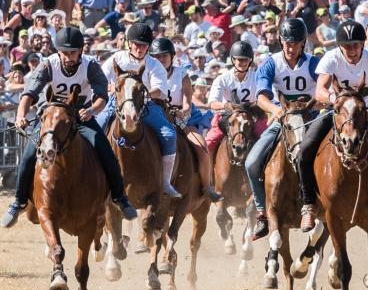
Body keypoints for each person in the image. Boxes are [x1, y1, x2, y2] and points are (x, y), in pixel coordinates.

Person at [1, 28, 137, 227]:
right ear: (58, 52)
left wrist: (91, 110)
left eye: (72, 52)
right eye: (64, 52)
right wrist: (21, 115)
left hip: (81, 115)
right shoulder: (48, 65)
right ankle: (19, 201)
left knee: (104, 148)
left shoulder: (90, 65)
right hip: (52, 117)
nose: (67, 57)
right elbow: (29, 94)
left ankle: (119, 197)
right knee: (29, 155)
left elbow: (102, 97)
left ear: (81, 51)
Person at [297, 21, 368, 231]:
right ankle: (309, 205)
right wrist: (335, 100)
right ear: (340, 46)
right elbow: (320, 91)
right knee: (305, 151)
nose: (351, 50)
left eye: (355, 45)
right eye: (347, 46)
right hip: (339, 113)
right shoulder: (331, 58)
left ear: (362, 44)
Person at [245, 18, 320, 241]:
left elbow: (325, 88)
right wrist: (275, 110)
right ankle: (261, 212)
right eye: (287, 43)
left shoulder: (314, 63)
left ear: (303, 43)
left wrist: (314, 104)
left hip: (310, 120)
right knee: (251, 163)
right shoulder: (271, 63)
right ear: (281, 41)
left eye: (296, 43)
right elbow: (260, 97)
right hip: (283, 120)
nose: (291, 47)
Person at [97, 23, 182, 199]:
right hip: (116, 102)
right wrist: (115, 90)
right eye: (137, 44)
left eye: (144, 45)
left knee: (169, 135)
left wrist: (137, 94)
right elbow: (100, 81)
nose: (140, 48)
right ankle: (93, 178)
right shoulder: (116, 59)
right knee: (95, 130)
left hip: (147, 104)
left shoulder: (154, 64)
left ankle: (165, 181)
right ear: (129, 43)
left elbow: (159, 91)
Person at [148, 38, 221, 203]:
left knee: (202, 146)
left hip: (177, 119)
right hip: (153, 118)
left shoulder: (181, 74)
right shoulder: (146, 72)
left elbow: (188, 101)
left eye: (164, 56)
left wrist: (184, 111)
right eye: (156, 56)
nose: (160, 59)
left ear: (172, 56)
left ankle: (206, 186)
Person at [205, 41, 268, 160]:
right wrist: (226, 105)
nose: (242, 63)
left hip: (253, 116)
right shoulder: (222, 79)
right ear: (233, 60)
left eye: (245, 60)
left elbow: (266, 98)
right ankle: (207, 175)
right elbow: (212, 103)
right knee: (209, 144)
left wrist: (252, 105)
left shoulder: (257, 77)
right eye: (239, 60)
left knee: (267, 140)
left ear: (250, 60)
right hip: (227, 116)